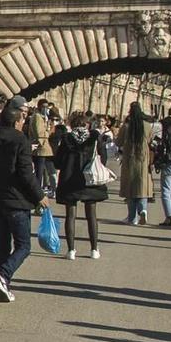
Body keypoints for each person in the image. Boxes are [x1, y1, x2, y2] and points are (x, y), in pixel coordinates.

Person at [0, 95, 46, 302]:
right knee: (24, 245)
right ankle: (3, 275)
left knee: (3, 245)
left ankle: (3, 285)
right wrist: (39, 196)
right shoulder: (20, 140)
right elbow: (25, 173)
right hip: (16, 199)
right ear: (17, 121)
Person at [54, 111, 109, 259]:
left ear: (72, 125)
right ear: (86, 124)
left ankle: (71, 250)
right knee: (91, 215)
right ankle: (94, 249)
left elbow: (58, 162)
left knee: (70, 215)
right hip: (89, 179)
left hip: (70, 179)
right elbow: (103, 157)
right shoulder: (94, 137)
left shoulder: (66, 139)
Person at [119, 103, 154, 225]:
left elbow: (118, 142)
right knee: (142, 188)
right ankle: (143, 210)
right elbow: (150, 140)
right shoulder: (147, 125)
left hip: (129, 158)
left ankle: (132, 217)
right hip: (143, 159)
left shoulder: (127, 126)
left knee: (130, 190)